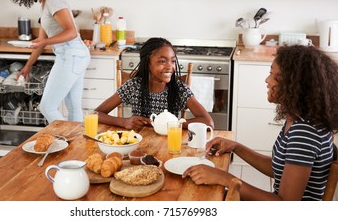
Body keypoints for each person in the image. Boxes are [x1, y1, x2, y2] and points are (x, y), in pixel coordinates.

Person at [183, 45, 338, 201]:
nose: (267, 80)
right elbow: (277, 168)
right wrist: (236, 147)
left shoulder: (305, 132)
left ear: (293, 83)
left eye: (272, 74)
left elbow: (286, 206)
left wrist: (226, 179)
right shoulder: (298, 119)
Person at [5, 0, 90, 123]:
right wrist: (28, 66)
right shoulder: (46, 3)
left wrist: (47, 41)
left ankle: (66, 140)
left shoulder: (54, 0)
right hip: (76, 56)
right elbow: (42, 41)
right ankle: (77, 143)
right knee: (73, 107)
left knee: (47, 107)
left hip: (71, 56)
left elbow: (71, 31)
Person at [95, 37, 214, 130]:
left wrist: (173, 125)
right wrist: (124, 121)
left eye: (172, 61)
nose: (170, 67)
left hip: (168, 144)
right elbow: (96, 114)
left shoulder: (179, 89)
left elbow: (208, 122)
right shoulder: (134, 86)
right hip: (138, 143)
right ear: (147, 64)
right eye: (162, 61)